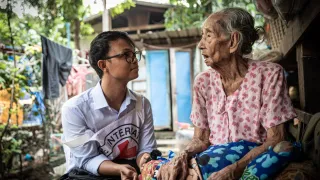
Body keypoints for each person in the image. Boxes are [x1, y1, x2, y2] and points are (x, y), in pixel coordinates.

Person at [156, 8, 297, 180]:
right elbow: (200, 139)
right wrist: (183, 155)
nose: (200, 45)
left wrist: (233, 170)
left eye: (208, 36)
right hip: (212, 156)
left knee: (283, 150)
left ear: (233, 41)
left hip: (251, 156)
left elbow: (275, 138)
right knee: (163, 167)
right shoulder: (203, 81)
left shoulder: (269, 74)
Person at [61, 31, 157, 180]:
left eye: (134, 54)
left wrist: (145, 161)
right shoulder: (75, 109)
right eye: (126, 55)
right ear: (103, 64)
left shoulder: (142, 105)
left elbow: (146, 149)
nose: (134, 60)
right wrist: (118, 169)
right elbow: (86, 159)